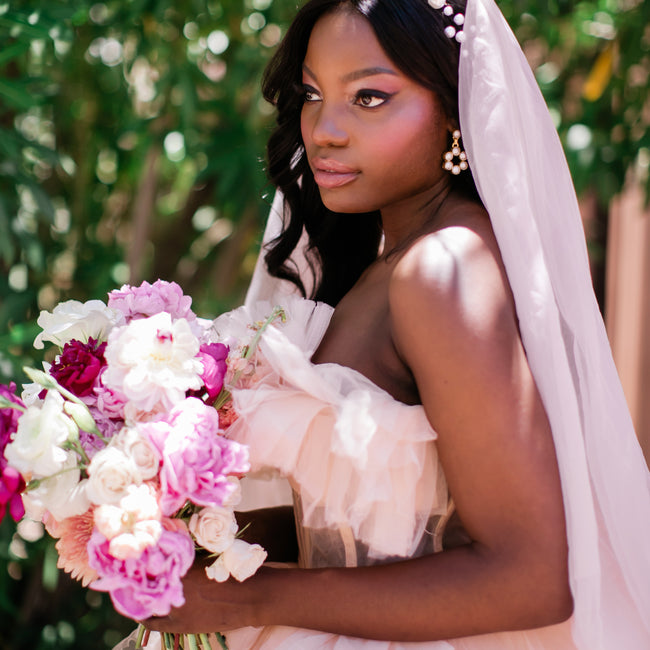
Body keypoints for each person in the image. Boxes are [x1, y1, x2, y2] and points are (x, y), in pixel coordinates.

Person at [122, 0, 650, 648]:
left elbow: (532, 576)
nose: (324, 130)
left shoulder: (443, 272)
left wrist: (249, 598)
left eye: (369, 97)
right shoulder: (394, 260)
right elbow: (365, 520)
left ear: (456, 111)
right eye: (313, 94)